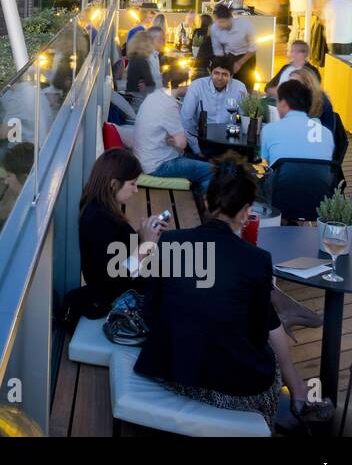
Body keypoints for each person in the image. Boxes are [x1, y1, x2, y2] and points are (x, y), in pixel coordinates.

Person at [134, 159, 332, 430]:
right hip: (230, 389)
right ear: (245, 213)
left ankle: (297, 386)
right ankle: (298, 393)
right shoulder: (256, 259)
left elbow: (150, 312)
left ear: (206, 202)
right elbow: (256, 334)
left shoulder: (171, 242)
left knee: (261, 318)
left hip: (171, 372)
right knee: (268, 345)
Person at [76, 149, 169, 317]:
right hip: (117, 299)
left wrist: (141, 235)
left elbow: (116, 250)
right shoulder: (99, 220)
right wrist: (146, 245)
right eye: (132, 183)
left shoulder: (100, 208)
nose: (136, 190)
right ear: (113, 184)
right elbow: (112, 281)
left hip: (127, 288)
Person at [133, 81, 213, 209]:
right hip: (158, 165)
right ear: (185, 84)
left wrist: (174, 140)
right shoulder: (169, 104)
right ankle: (204, 208)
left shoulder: (154, 95)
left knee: (202, 161)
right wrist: (176, 141)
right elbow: (182, 144)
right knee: (212, 171)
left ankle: (200, 196)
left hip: (146, 158)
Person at [182, 57, 250, 155]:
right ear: (210, 73)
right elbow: (186, 120)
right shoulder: (197, 86)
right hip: (201, 141)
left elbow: (245, 118)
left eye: (224, 74)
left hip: (230, 141)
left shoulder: (239, 87)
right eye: (216, 73)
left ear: (231, 76)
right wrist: (196, 149)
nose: (219, 78)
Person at [260, 79, 335, 167]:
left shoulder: (269, 130)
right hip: (320, 181)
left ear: (283, 103)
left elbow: (268, 164)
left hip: (282, 180)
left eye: (277, 100)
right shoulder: (327, 133)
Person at [208, 4, 258, 85]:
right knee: (228, 83)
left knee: (246, 83)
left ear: (230, 19)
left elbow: (253, 48)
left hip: (246, 56)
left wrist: (239, 63)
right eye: (217, 21)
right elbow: (218, 51)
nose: (219, 25)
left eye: (222, 22)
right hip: (229, 55)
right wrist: (222, 66)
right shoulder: (215, 28)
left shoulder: (245, 25)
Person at [120, 31, 162, 108]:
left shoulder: (136, 58)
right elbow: (152, 87)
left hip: (137, 103)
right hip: (142, 105)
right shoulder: (142, 61)